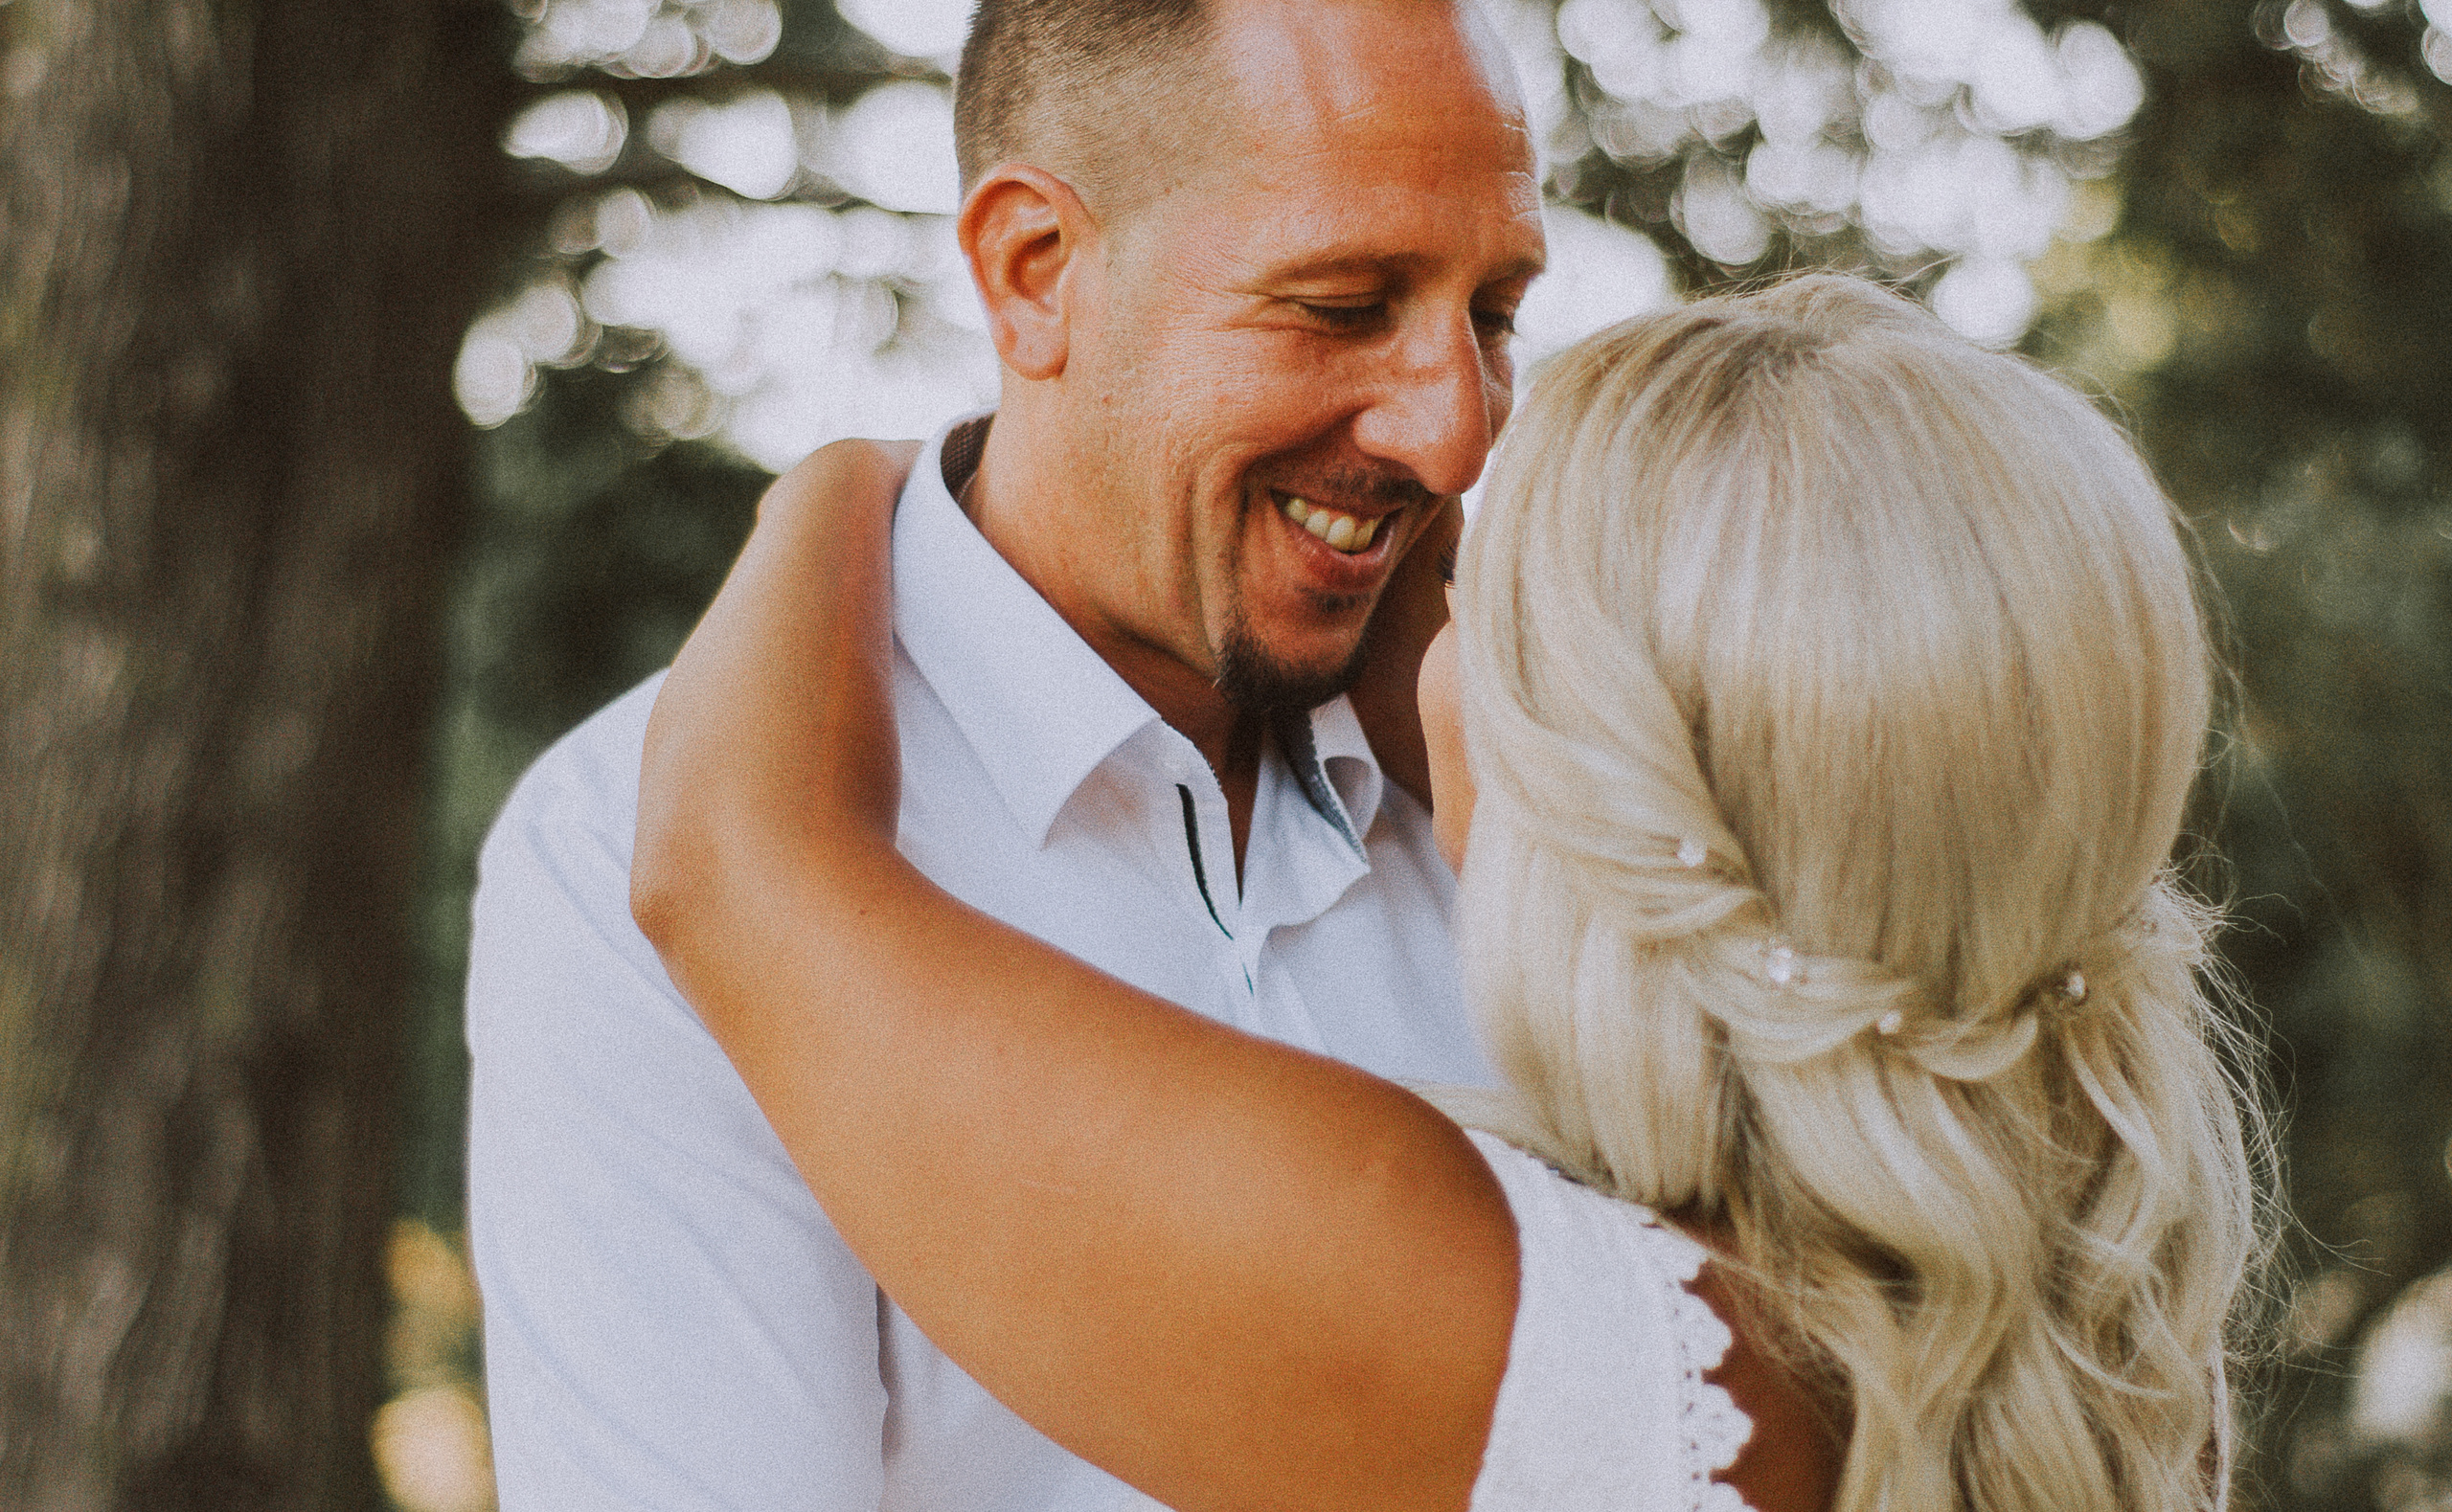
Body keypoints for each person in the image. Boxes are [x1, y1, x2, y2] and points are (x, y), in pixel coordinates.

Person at [631, 276, 2269, 1512]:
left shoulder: (1553, 1339)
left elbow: (735, 873)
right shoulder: (2103, 1319)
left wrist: (846, 484)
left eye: (1488, 600)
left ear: (1629, 777)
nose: (1431, 612)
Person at [465, 0, 1547, 1505]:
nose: (1454, 433)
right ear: (1035, 271)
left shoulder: (1559, 810)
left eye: (1494, 314)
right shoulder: (630, 858)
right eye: (1341, 306)